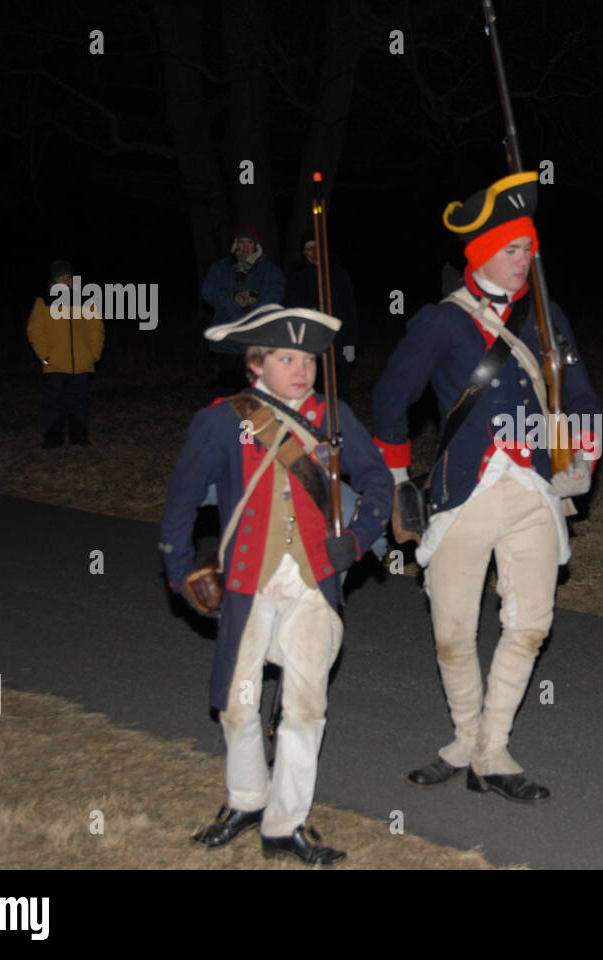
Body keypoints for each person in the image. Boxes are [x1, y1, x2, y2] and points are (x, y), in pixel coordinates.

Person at [372, 172, 601, 803]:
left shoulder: (548, 317)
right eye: (512, 248)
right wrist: (395, 479)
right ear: (481, 255)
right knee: (451, 632)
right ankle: (465, 738)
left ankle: (492, 749)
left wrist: (581, 452)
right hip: (461, 491)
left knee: (529, 625)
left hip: (533, 487)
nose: (525, 257)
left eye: (529, 247)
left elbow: (580, 395)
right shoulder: (440, 322)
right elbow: (391, 399)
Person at [159, 305, 392, 865]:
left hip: (314, 583)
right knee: (239, 705)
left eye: (309, 359)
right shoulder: (222, 419)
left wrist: (356, 541)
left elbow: (380, 481)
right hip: (247, 581)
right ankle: (245, 799)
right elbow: (183, 499)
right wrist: (179, 569)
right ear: (255, 365)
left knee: (306, 708)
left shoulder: (334, 417)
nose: (302, 370)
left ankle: (286, 823)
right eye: (287, 358)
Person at [26, 259, 104, 448]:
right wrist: (45, 357)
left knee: (78, 401)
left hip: (82, 363)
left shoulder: (84, 300)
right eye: (62, 278)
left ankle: (79, 437)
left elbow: (96, 328)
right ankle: (53, 439)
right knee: (55, 402)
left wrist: (94, 354)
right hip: (55, 364)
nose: (67, 281)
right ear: (54, 281)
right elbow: (35, 331)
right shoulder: (43, 301)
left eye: (69, 277)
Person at [201, 224, 286, 387]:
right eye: (241, 242)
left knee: (254, 391)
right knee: (227, 391)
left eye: (249, 242)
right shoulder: (221, 268)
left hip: (256, 339)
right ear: (235, 245)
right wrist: (231, 299)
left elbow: (277, 292)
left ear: (256, 245)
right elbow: (208, 292)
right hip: (227, 339)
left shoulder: (268, 270)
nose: (245, 247)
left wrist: (256, 300)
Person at [286, 234, 360, 398]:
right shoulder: (297, 276)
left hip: (336, 343)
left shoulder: (338, 274)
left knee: (339, 391)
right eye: (308, 249)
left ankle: (339, 422)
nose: (313, 252)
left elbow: (349, 309)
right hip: (308, 345)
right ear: (303, 252)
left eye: (316, 248)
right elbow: (290, 310)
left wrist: (350, 342)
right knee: (311, 392)